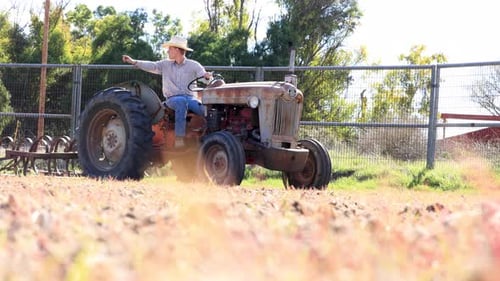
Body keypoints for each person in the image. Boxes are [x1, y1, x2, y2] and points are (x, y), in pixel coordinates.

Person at [122, 35, 212, 148]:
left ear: (177, 50)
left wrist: (208, 77)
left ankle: (210, 137)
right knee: (180, 102)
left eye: (170, 48)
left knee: (205, 110)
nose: (168, 51)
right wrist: (134, 62)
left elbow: (205, 78)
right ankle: (179, 139)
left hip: (190, 98)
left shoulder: (194, 65)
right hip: (172, 99)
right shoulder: (165, 64)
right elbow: (152, 65)